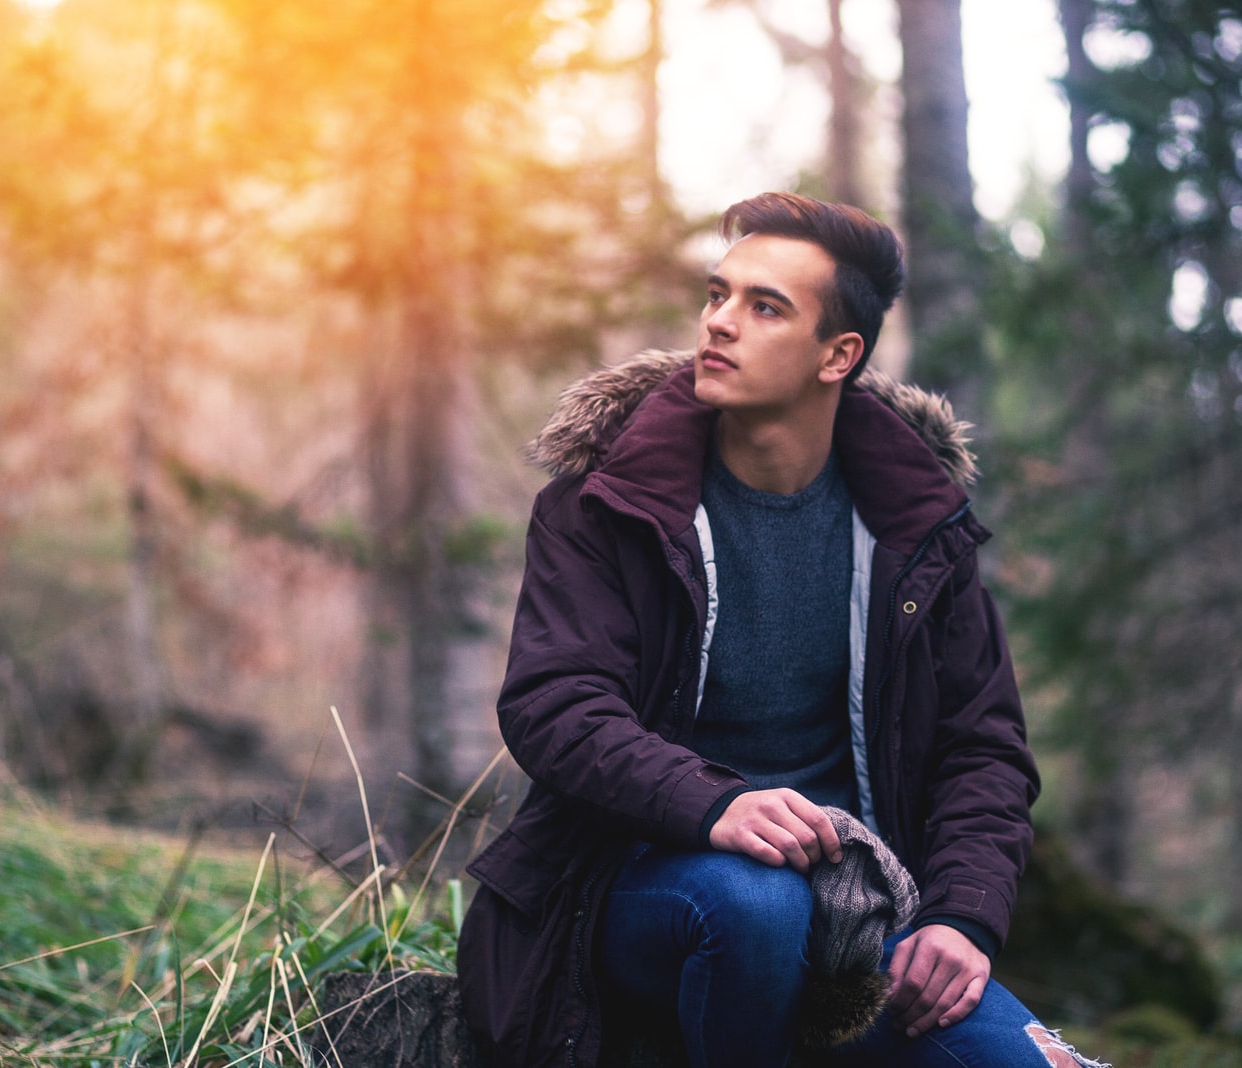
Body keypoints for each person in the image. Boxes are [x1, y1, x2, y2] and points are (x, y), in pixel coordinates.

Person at [457, 193, 1092, 1067]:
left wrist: (961, 916)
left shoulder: (916, 534)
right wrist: (714, 803)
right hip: (631, 886)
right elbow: (555, 706)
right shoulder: (607, 505)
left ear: (840, 355)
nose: (718, 324)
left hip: (857, 913)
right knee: (757, 905)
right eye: (718, 295)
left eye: (764, 307)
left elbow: (983, 751)